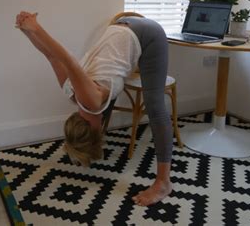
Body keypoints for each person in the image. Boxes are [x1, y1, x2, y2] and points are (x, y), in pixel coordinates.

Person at [15, 11, 173, 206]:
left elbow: (66, 58)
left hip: (149, 35)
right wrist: (27, 32)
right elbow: (50, 56)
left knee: (155, 108)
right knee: (109, 100)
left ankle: (163, 182)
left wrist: (36, 28)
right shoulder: (69, 90)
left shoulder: (91, 100)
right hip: (123, 27)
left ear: (95, 132)